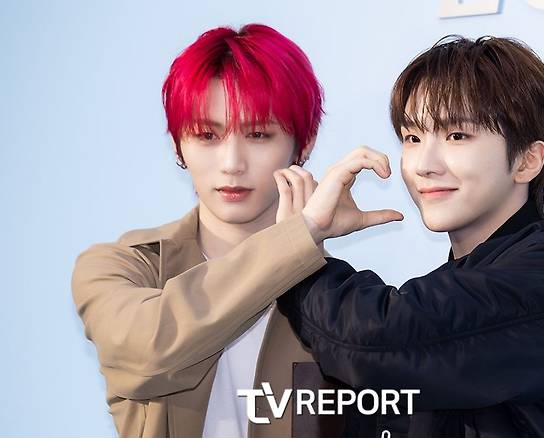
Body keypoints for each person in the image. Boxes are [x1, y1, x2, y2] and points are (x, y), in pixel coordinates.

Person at [277, 36, 544, 437]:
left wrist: (299, 257)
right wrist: (305, 246)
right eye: (413, 138)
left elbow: (379, 340)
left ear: (527, 160)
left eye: (457, 135)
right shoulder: (448, 286)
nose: (424, 165)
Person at [71, 23, 395, 438]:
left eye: (258, 134)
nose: (231, 163)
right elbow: (150, 350)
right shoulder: (122, 266)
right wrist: (303, 234)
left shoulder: (337, 301)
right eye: (207, 135)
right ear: (178, 144)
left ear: (304, 142)